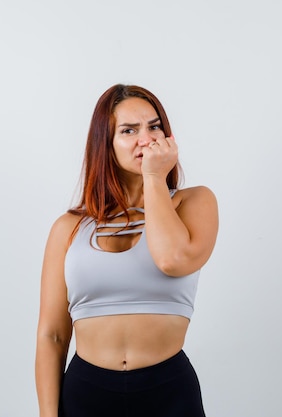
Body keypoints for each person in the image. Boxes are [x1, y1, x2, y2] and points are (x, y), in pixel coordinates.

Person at [35, 84, 219, 417]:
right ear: (106, 144)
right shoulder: (69, 227)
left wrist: (153, 176)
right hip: (85, 392)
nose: (146, 139)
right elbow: (53, 335)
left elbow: (172, 259)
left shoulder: (193, 202)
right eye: (129, 130)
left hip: (169, 390)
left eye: (154, 126)